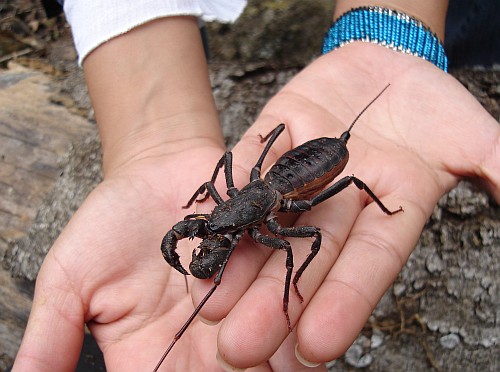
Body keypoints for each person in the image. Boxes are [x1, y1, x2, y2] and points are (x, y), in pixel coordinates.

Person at [12, 0, 499, 371]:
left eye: (209, 228)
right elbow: (220, 177)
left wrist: (289, 286)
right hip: (274, 178)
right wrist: (157, 152)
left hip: (307, 173)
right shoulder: (223, 213)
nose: (208, 232)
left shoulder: (265, 227)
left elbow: (290, 247)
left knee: (327, 207)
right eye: (210, 227)